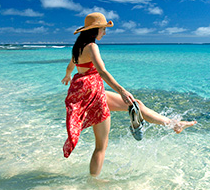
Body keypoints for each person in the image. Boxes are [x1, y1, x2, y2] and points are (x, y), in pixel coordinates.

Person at [61, 12, 196, 176]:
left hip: (90, 92)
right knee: (101, 146)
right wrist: (122, 90)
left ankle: (174, 124)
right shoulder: (92, 47)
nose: (105, 32)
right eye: (103, 29)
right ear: (95, 30)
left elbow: (71, 66)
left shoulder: (77, 48)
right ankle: (93, 183)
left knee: (136, 105)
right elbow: (102, 71)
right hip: (94, 95)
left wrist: (68, 76)